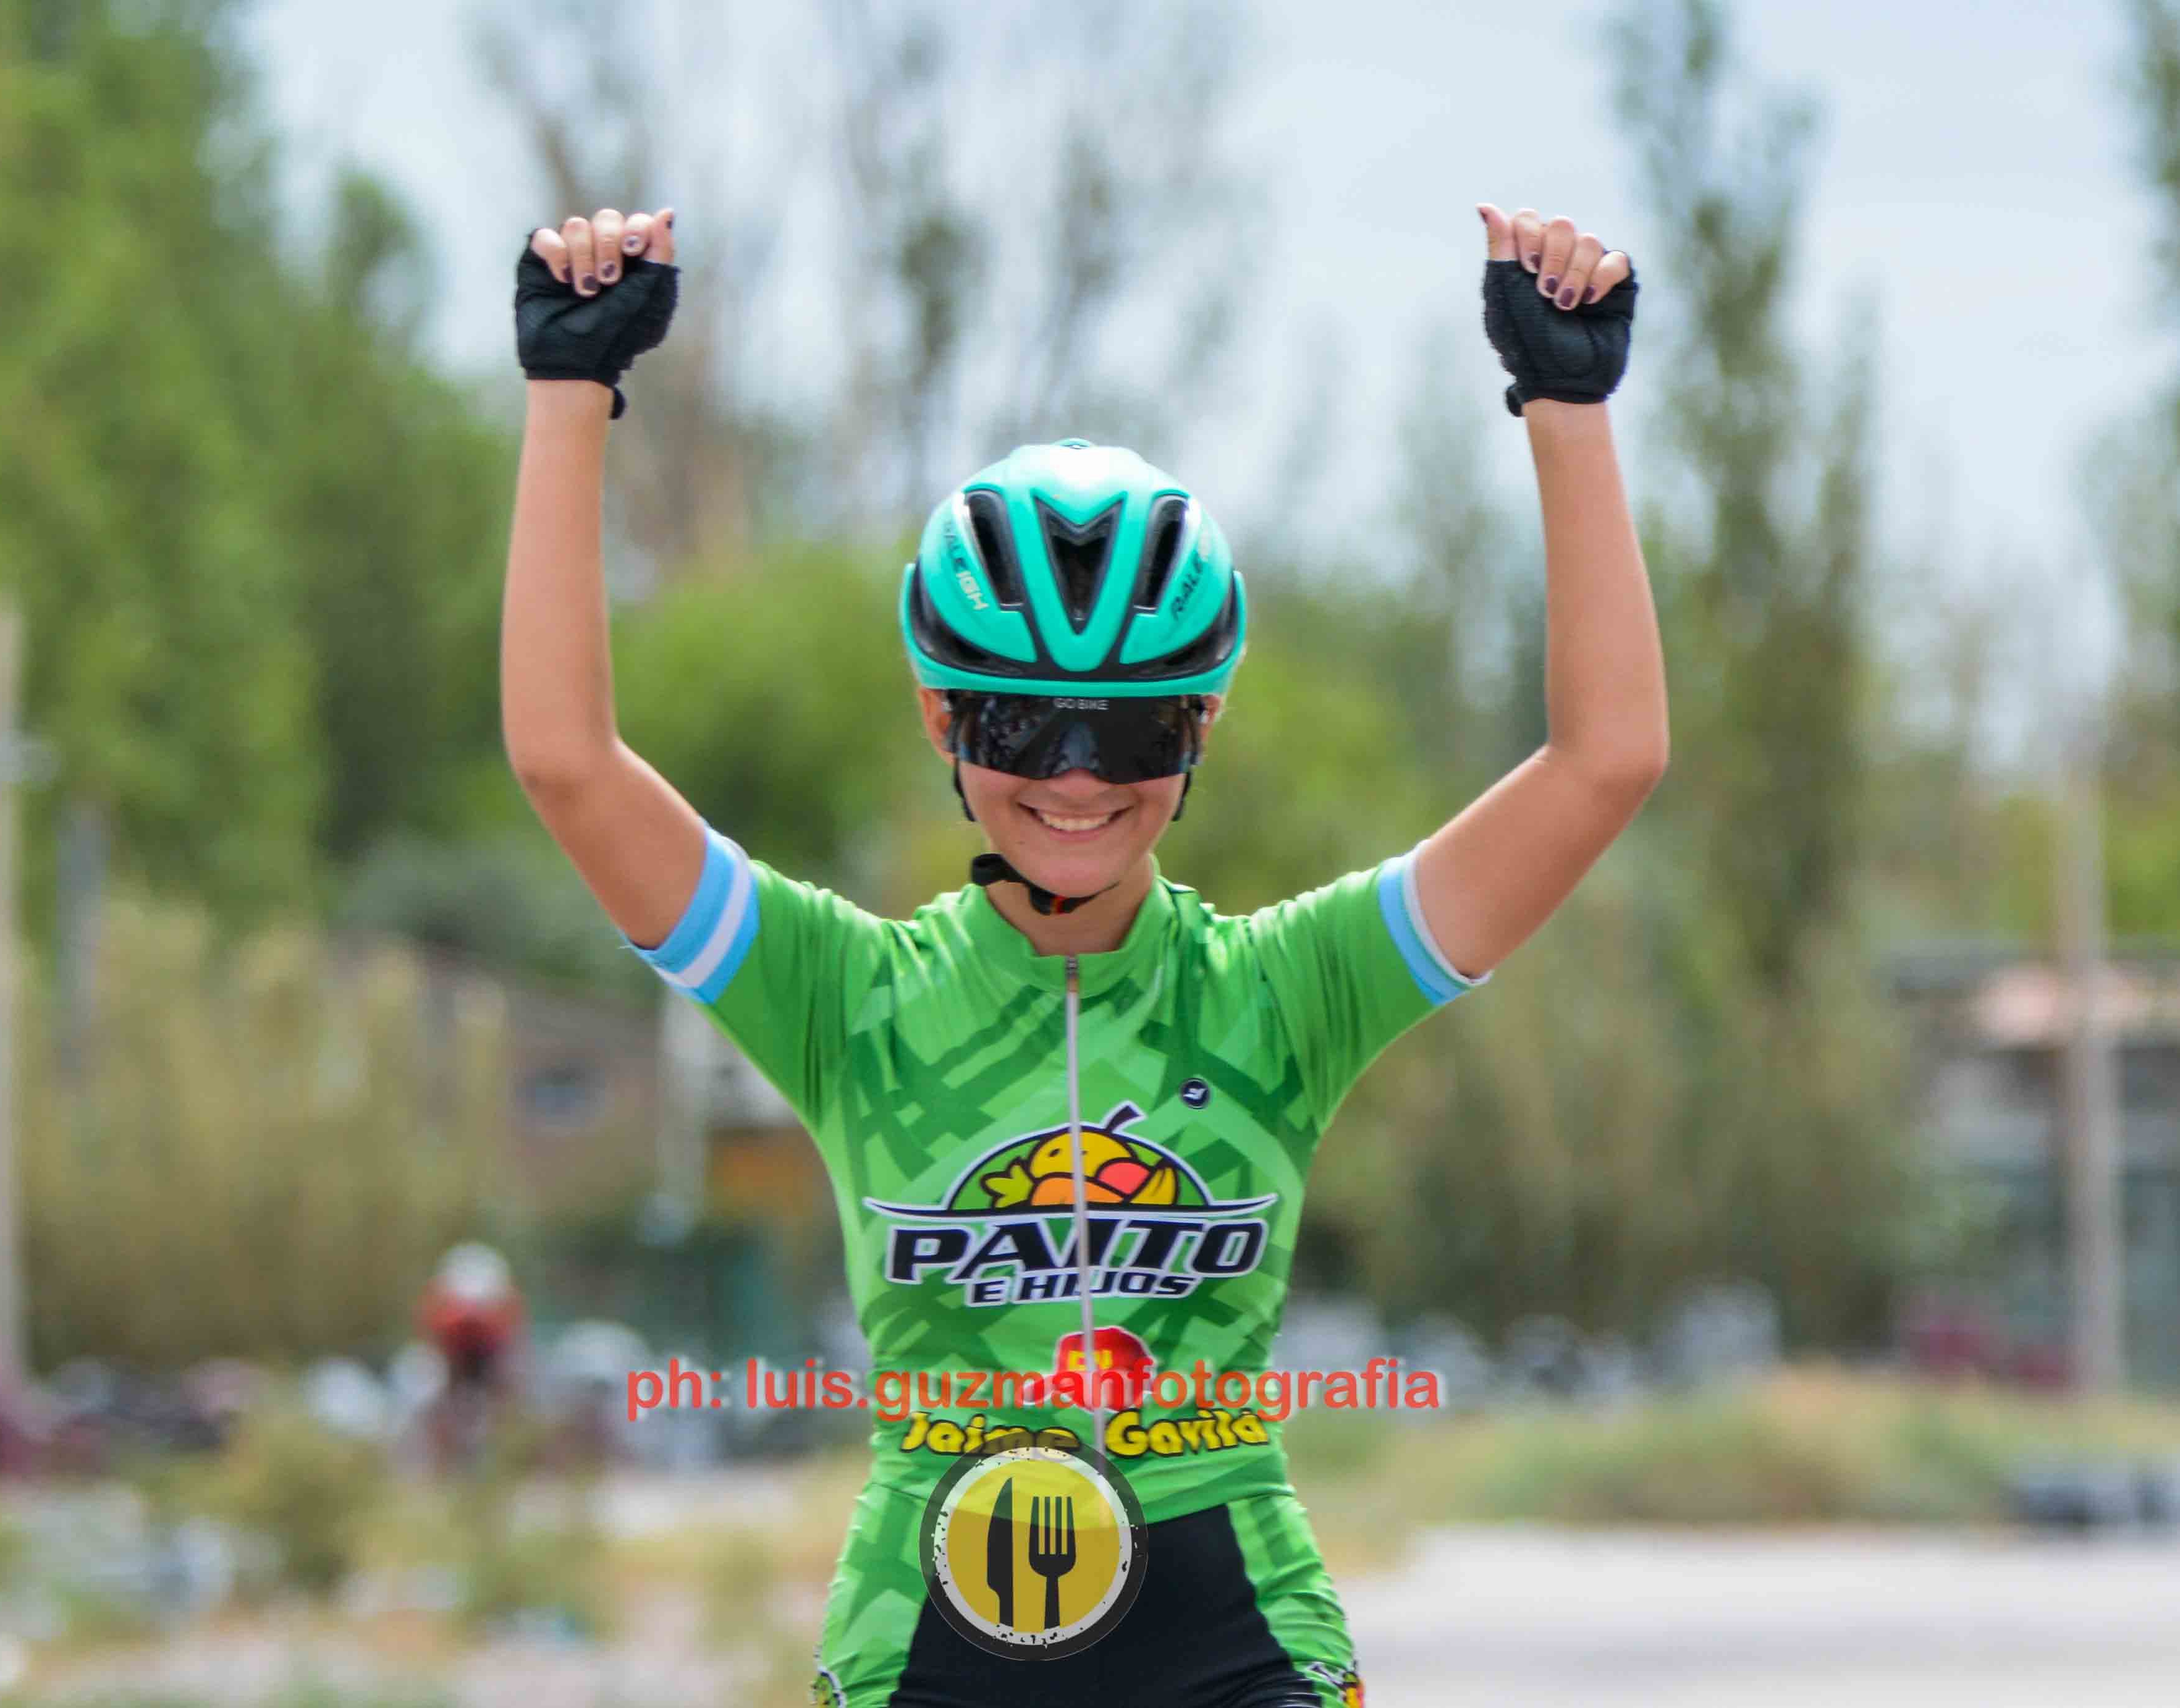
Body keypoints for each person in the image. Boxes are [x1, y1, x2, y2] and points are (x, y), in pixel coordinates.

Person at [504, 202, 1662, 1708]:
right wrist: (568, 391)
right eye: (1018, 720)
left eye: (1128, 730)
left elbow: (1603, 762)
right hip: (926, 1632)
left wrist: (1565, 404)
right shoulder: (847, 997)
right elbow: (569, 763)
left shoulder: (1283, 992)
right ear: (939, 714)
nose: (1072, 777)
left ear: (1203, 722)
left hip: (1234, 1631)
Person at [416, 1241, 524, 1471]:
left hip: (485, 1363)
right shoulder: (447, 1317)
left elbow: (508, 1345)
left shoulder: (497, 1315)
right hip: (456, 1364)